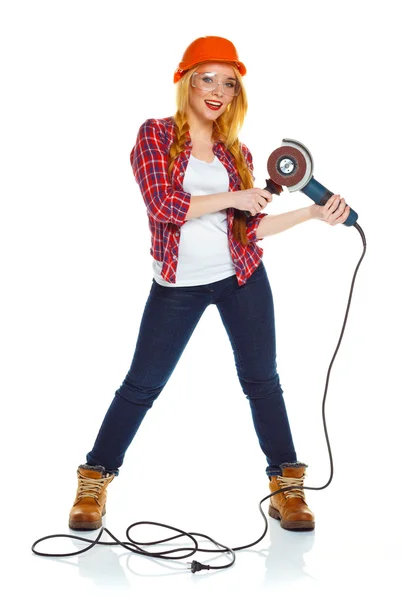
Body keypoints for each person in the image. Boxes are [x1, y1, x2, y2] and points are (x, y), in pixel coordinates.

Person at [68, 36, 350, 533]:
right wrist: (234, 196)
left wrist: (311, 213)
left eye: (229, 82)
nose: (218, 89)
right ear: (186, 81)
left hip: (241, 279)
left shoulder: (236, 152)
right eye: (208, 77)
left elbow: (250, 228)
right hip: (178, 286)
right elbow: (164, 206)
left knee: (263, 382)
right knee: (142, 385)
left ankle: (287, 488)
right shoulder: (154, 135)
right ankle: (94, 479)